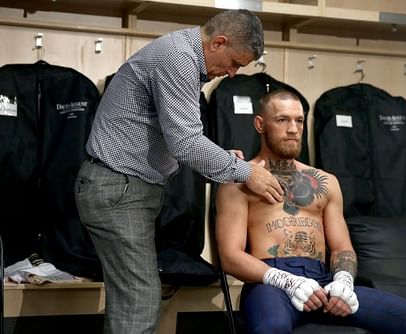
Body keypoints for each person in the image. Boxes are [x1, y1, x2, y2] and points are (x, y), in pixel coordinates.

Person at [74, 9, 284, 334]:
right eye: (234, 63)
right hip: (119, 189)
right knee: (138, 301)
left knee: (132, 300)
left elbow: (176, 137)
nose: (231, 74)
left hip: (122, 188)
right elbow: (185, 143)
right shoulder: (177, 58)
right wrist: (245, 172)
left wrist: (222, 158)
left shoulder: (180, 54)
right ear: (218, 42)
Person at [215, 89, 406, 334]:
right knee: (272, 327)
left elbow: (342, 248)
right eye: (282, 120)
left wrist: (343, 281)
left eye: (299, 120)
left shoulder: (326, 181)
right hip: (269, 282)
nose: (293, 129)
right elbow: (229, 256)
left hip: (324, 281)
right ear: (260, 124)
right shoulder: (239, 180)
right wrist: (285, 280)